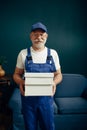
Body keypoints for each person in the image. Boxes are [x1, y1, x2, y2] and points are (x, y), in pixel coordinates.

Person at [13, 22, 62, 130]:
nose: (38, 37)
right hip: (28, 99)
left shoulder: (53, 53)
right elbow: (16, 74)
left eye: (41, 35)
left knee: (48, 127)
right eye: (35, 34)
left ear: (46, 36)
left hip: (46, 99)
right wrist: (20, 82)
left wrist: (54, 82)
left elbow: (59, 75)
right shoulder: (23, 53)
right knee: (30, 127)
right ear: (31, 36)